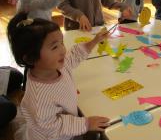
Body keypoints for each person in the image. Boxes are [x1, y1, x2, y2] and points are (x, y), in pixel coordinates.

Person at [7, 12, 110, 140]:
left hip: (66, 124)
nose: (63, 50)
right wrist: (86, 124)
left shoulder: (54, 66)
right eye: (54, 47)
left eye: (62, 43)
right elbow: (53, 127)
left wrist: (95, 41)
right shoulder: (39, 97)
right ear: (30, 58)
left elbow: (74, 55)